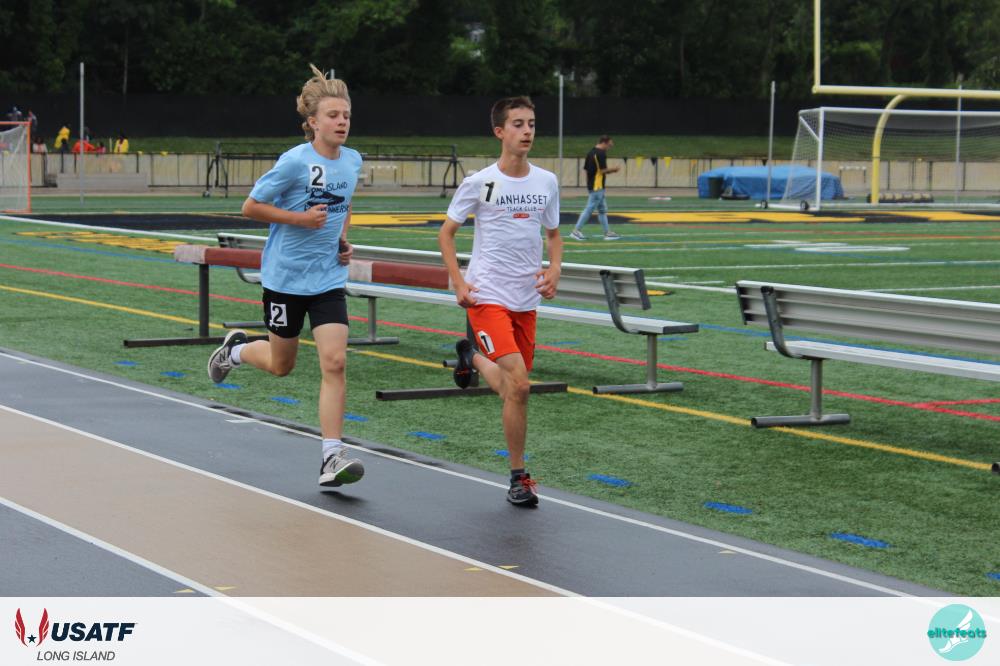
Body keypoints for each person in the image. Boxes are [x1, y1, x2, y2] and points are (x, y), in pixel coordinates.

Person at [207, 64, 365, 489]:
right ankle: (236, 351)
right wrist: (300, 219)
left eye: (346, 115)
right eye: (333, 115)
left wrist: (342, 239)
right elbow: (250, 207)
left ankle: (332, 456)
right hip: (285, 279)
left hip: (327, 279)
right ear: (312, 122)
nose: (342, 122)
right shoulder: (295, 161)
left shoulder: (353, 161)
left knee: (335, 361)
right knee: (282, 365)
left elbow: (345, 203)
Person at [438, 96, 563, 507]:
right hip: (487, 295)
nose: (527, 131)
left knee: (513, 389)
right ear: (499, 131)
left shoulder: (546, 181)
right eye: (518, 124)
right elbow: (446, 233)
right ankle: (517, 477)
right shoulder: (480, 182)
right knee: (521, 384)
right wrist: (459, 283)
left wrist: (554, 269)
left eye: (532, 124)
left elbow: (554, 234)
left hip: (526, 299)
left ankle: (471, 356)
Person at [570, 135, 621, 240]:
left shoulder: (590, 152)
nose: (609, 148)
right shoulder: (601, 153)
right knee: (589, 209)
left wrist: (589, 185)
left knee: (602, 210)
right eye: (609, 145)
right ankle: (576, 231)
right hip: (597, 186)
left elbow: (586, 170)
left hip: (594, 185)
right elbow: (602, 170)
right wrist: (614, 169)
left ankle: (607, 233)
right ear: (604, 143)